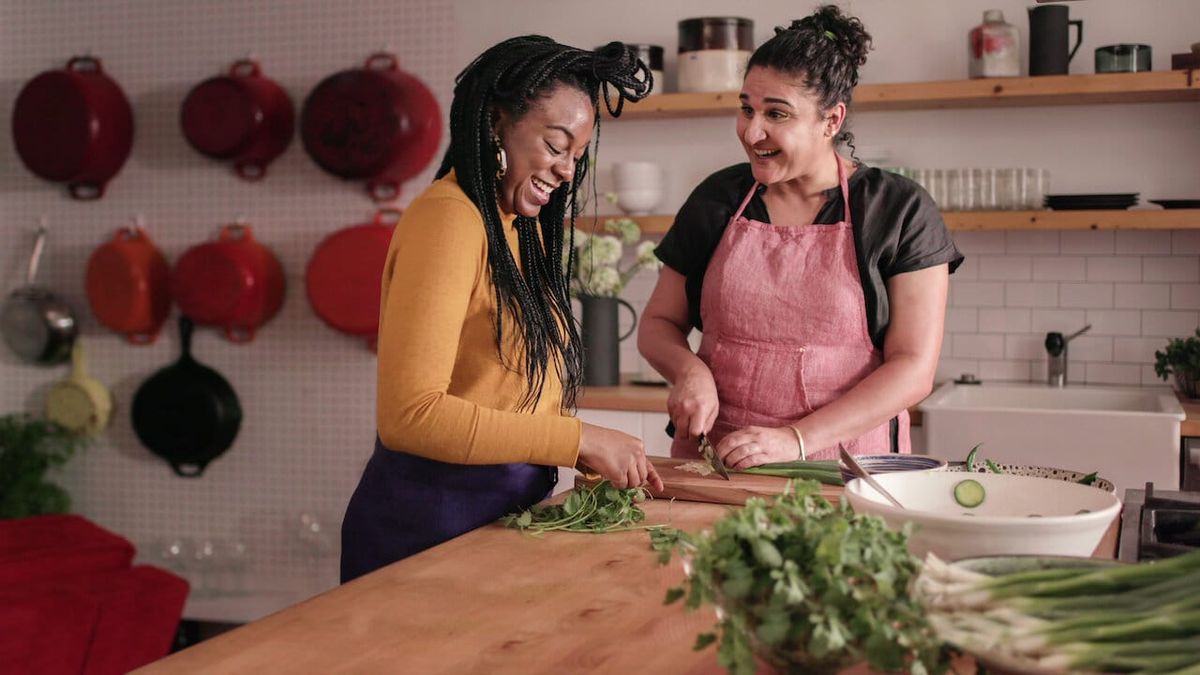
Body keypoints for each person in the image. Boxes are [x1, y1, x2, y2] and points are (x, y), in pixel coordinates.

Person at [341, 36, 664, 583]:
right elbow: (411, 417)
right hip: (428, 534)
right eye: (555, 144)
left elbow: (498, 390)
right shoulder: (450, 220)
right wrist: (577, 438)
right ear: (496, 122)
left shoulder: (512, 228)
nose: (566, 170)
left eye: (577, 156)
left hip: (493, 522)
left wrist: (577, 450)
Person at [638, 6, 963, 471]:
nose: (753, 131)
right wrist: (688, 371)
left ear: (832, 120)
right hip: (716, 466)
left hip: (848, 470)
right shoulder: (718, 199)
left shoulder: (899, 210)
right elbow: (658, 324)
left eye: (777, 114)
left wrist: (795, 439)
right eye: (747, 109)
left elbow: (913, 370)